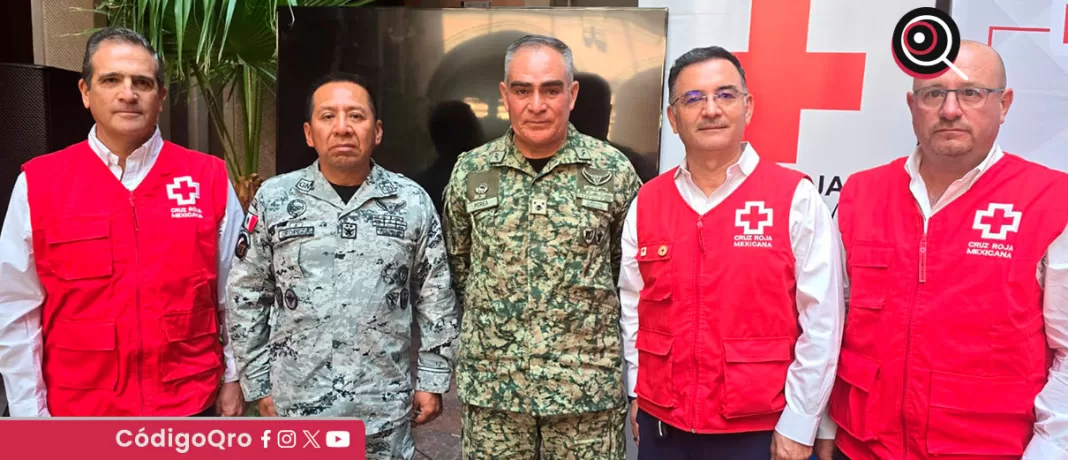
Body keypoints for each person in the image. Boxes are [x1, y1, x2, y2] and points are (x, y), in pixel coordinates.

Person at [825, 40, 1068, 460]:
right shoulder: (861, 193)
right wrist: (824, 424)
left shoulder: (1051, 201)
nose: (950, 110)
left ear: (1004, 104)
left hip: (991, 451)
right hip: (861, 446)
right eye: (934, 93)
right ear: (912, 104)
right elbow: (830, 323)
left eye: (971, 92)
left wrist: (1048, 448)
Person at [0, 27, 244, 417]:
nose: (128, 94)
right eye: (111, 79)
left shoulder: (207, 179)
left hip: (188, 403)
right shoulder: (39, 183)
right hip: (79, 411)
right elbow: (15, 308)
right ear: (85, 92)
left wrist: (232, 378)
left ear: (161, 97)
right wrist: (30, 414)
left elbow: (235, 294)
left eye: (142, 83)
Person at [619, 46, 845, 460]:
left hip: (762, 430)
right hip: (664, 429)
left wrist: (800, 422)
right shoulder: (648, 201)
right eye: (693, 99)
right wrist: (638, 390)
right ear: (673, 118)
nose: (710, 110)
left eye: (725, 95)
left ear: (748, 106)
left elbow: (823, 323)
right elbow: (634, 305)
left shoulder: (794, 198)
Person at [225, 72, 459, 459]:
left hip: (384, 406)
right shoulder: (275, 199)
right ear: (308, 132)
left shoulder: (411, 201)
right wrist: (257, 381)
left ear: (377, 131)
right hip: (297, 405)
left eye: (356, 116)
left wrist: (432, 379)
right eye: (328, 116)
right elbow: (247, 293)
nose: (343, 128)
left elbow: (436, 294)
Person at [443, 34, 642, 458]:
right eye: (522, 90)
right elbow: (460, 266)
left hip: (585, 393)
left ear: (571, 94)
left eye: (551, 89)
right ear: (506, 95)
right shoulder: (471, 171)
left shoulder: (613, 171)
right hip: (495, 393)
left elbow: (629, 275)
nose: (537, 104)